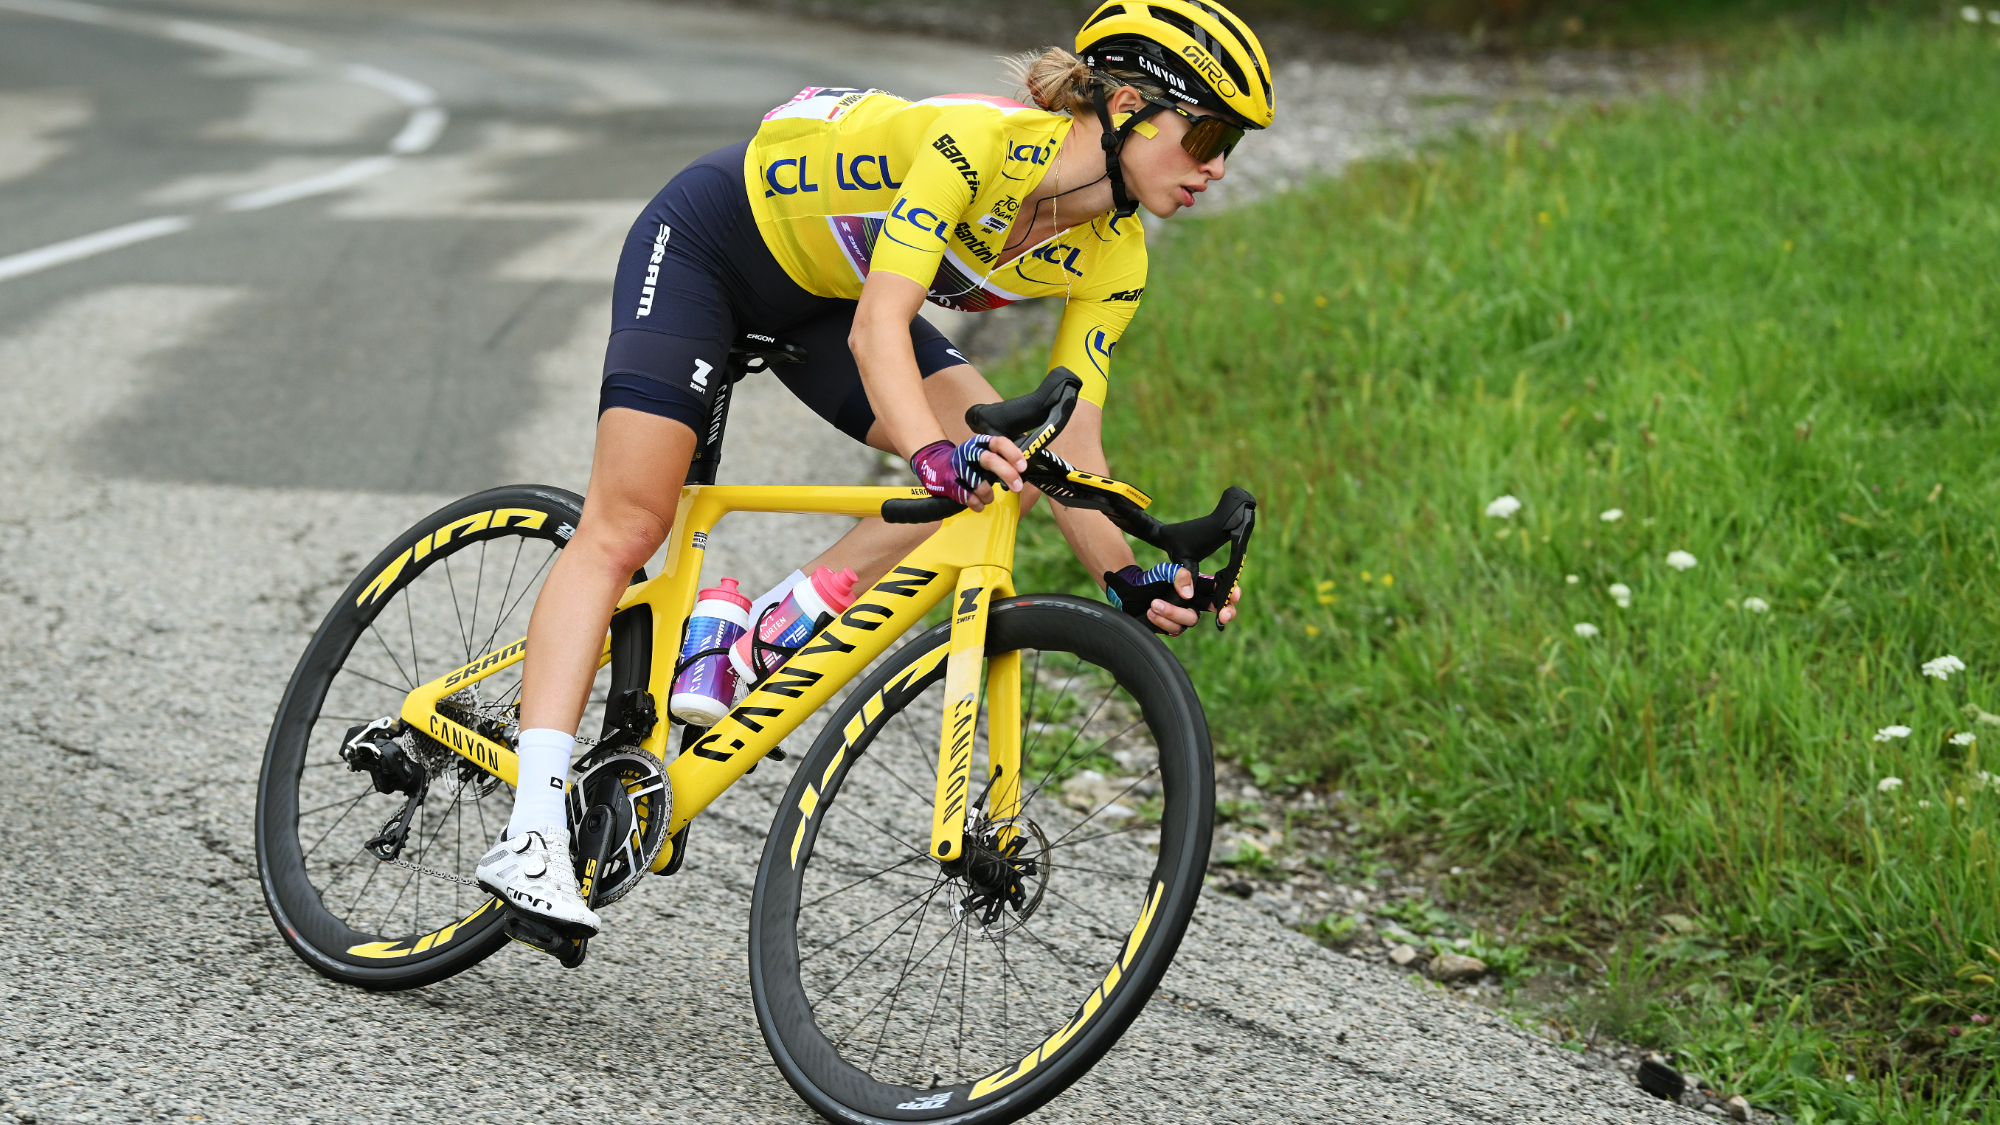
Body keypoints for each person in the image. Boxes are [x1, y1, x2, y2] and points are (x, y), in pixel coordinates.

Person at [476, 0, 1275, 942]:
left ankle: (761, 632)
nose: (1217, 166)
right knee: (629, 523)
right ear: (1130, 105)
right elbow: (879, 329)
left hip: (822, 296)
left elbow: (1075, 446)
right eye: (1209, 132)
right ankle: (531, 830)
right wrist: (929, 452)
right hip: (715, 246)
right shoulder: (975, 143)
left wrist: (1128, 570)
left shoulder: (1116, 250)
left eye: (1233, 145)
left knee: (994, 471)